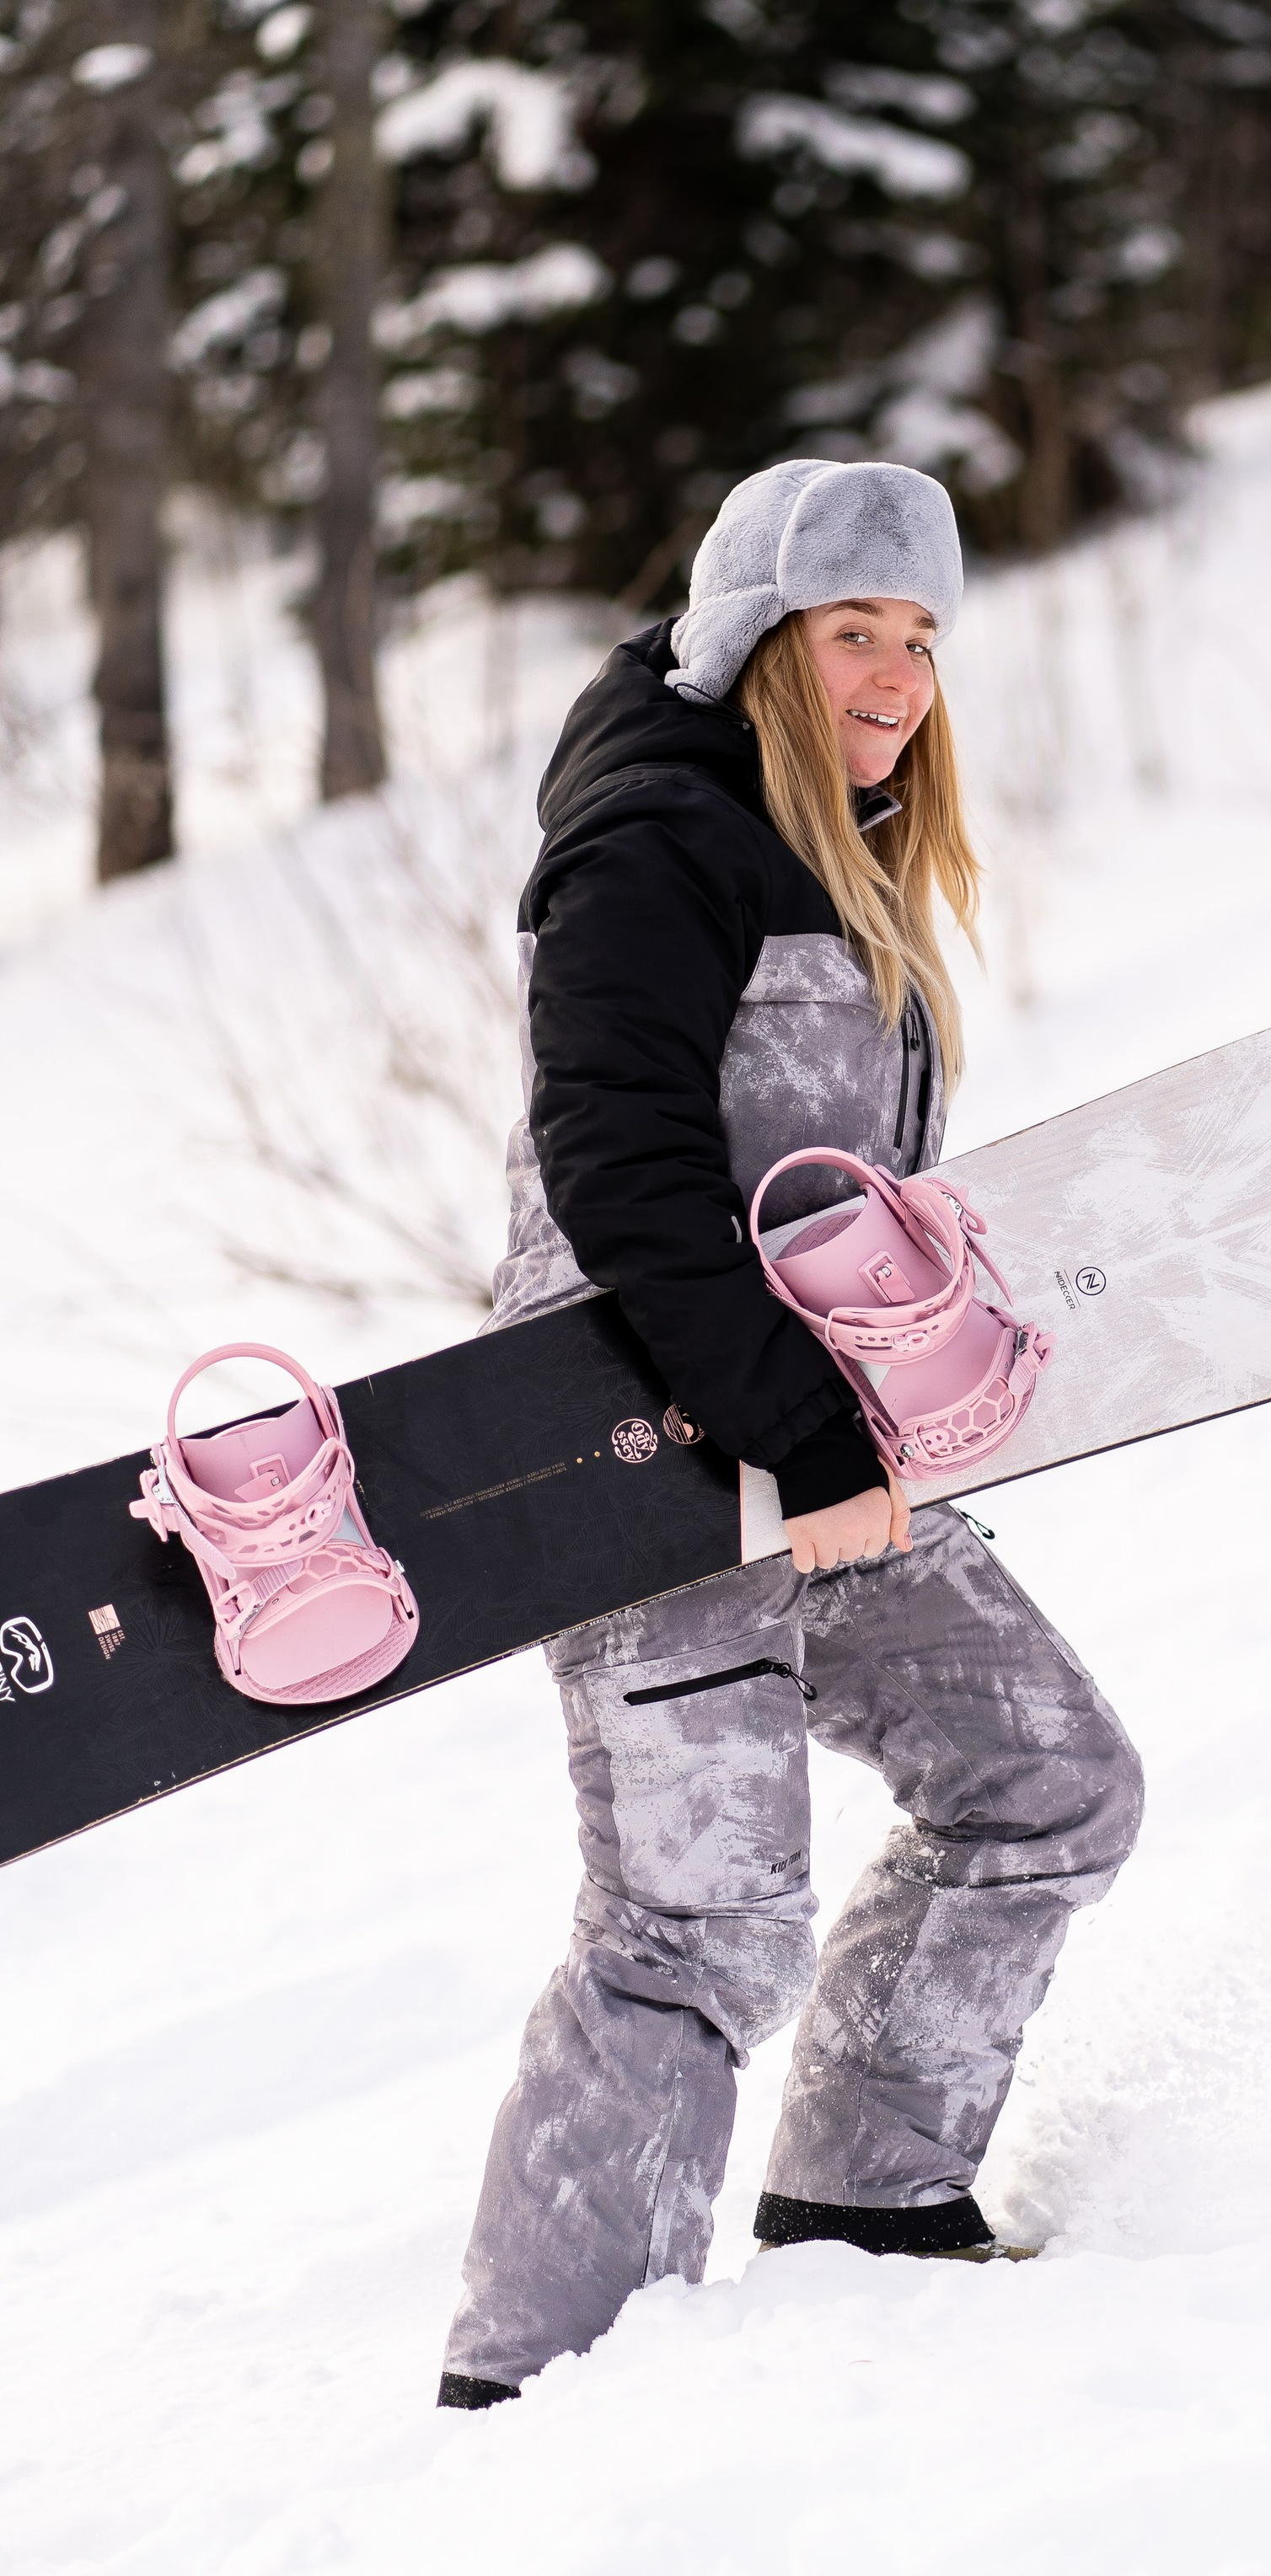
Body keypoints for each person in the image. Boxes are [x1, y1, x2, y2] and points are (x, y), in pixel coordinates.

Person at [437, 458, 1143, 2407]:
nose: (900, 671)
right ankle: (536, 2398)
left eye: (919, 635)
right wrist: (799, 1445)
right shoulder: (652, 845)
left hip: (820, 1453)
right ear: (761, 639)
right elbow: (623, 1178)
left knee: (1046, 1783)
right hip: (645, 1463)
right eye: (856, 629)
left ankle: (868, 2213)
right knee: (691, 1927)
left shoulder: (840, 852)